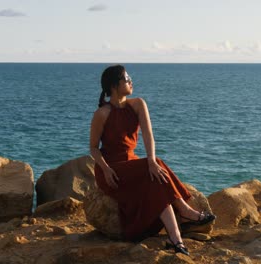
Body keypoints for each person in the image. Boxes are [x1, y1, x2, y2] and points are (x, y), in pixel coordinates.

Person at [89, 64, 215, 256]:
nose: (131, 81)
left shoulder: (138, 104)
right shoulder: (102, 113)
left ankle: (176, 238)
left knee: (155, 171)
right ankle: (186, 212)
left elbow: (148, 135)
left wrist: (150, 160)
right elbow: (93, 148)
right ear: (114, 85)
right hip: (113, 169)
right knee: (154, 167)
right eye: (126, 78)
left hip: (133, 163)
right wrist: (105, 169)